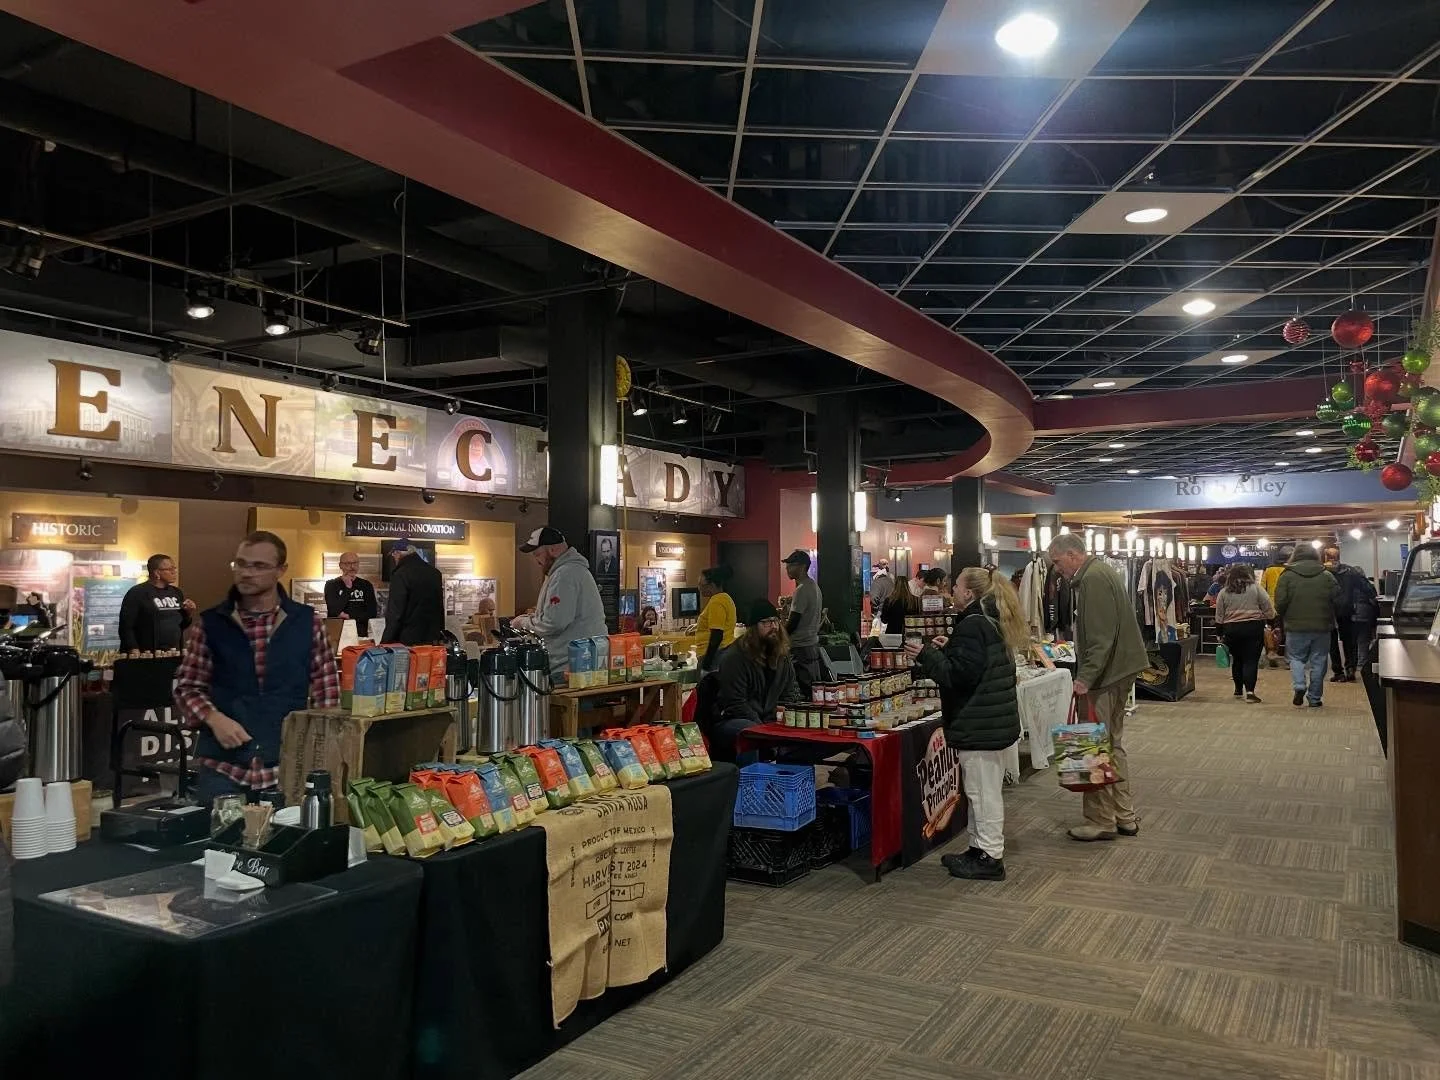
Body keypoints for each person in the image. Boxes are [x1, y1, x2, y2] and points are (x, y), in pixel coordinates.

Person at [174, 531, 339, 805]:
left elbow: (327, 696)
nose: (246, 573)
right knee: (219, 835)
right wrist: (214, 719)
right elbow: (187, 688)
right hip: (222, 770)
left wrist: (318, 757)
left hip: (287, 769)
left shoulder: (307, 623)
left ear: (281, 570)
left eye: (259, 566)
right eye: (240, 564)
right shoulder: (211, 624)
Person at [906, 567, 1026, 881]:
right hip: (990, 722)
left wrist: (927, 654)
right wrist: (950, 648)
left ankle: (990, 857)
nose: (953, 590)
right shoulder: (989, 620)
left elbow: (957, 676)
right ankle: (978, 848)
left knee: (983, 794)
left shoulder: (973, 625)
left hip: (980, 724)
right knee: (981, 791)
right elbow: (974, 665)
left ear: (969, 593)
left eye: (957, 585)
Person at [1047, 533, 1149, 842]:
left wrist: (1085, 678)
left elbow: (1101, 638)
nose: (1056, 569)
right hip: (1117, 670)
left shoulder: (1092, 579)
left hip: (1106, 675)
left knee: (1093, 746)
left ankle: (1101, 819)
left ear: (1073, 554)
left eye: (1057, 561)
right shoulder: (1100, 573)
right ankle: (1123, 815)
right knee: (1111, 745)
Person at [709, 598, 802, 759]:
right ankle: (751, 775)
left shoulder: (782, 656)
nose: (773, 627)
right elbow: (735, 703)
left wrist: (782, 719)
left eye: (775, 621)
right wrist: (764, 729)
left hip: (769, 718)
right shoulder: (735, 657)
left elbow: (790, 693)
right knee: (750, 731)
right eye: (766, 622)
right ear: (752, 628)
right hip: (734, 720)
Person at [512, 526, 607, 681]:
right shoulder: (572, 571)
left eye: (537, 554)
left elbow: (554, 622)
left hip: (569, 666)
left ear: (553, 550)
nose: (536, 561)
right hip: (582, 663)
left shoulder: (564, 575)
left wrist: (522, 623)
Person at [1273, 545, 1342, 708]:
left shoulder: (1287, 575)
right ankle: (1315, 697)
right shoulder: (1327, 575)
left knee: (1296, 658)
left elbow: (1280, 603)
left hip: (1295, 625)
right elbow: (1337, 598)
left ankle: (1299, 685)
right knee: (1319, 660)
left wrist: (1283, 614)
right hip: (1322, 625)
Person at [1214, 562, 1274, 703]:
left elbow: (1219, 615)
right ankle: (1250, 692)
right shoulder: (1256, 589)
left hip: (1231, 630)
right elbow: (1268, 606)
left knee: (1237, 659)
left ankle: (1238, 689)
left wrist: (1219, 632)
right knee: (1250, 660)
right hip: (1253, 629)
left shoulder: (1224, 592)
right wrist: (1270, 621)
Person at [118, 553, 195, 653]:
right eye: (170, 569)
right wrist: (133, 649)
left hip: (173, 652)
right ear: (156, 572)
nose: (174, 572)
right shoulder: (137, 593)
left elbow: (181, 625)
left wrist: (188, 613)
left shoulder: (176, 592)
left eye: (174, 568)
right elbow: (126, 626)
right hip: (146, 653)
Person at [1323, 546, 1374, 683]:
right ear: (1339, 557)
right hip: (1347, 609)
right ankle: (1350, 669)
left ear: (1326, 557)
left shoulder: (1321, 572)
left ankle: (1338, 672)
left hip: (1328, 611)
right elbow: (1367, 588)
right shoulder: (1350, 571)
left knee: (1332, 642)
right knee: (1349, 641)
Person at [381, 540, 445, 646]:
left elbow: (396, 613)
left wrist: (385, 642)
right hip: (432, 640)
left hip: (408, 641)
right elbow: (440, 609)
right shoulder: (435, 573)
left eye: (393, 555)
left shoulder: (400, 574)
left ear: (398, 553)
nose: (394, 558)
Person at [677, 566, 737, 666]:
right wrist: (698, 627)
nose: (699, 588)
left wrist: (707, 661)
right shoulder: (725, 598)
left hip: (716, 656)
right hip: (722, 653)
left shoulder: (717, 602)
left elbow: (717, 635)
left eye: (701, 585)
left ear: (712, 585)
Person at [783, 549, 824, 692]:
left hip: (800, 648)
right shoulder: (814, 586)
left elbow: (793, 622)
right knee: (813, 690)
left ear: (801, 566)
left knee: (802, 690)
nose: (787, 568)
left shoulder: (801, 589)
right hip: (811, 645)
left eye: (791, 565)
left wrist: (779, 636)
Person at [324, 551, 378, 636]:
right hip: (338, 634)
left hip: (360, 633)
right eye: (348, 563)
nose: (352, 567)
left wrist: (349, 616)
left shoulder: (366, 585)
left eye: (355, 563)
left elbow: (372, 612)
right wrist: (348, 588)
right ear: (340, 565)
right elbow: (334, 611)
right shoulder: (331, 585)